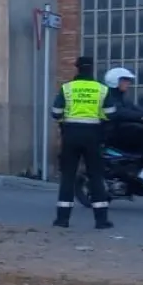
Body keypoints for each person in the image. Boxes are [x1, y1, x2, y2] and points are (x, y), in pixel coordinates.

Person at [50, 55, 112, 229]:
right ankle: (101, 221)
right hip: (93, 136)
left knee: (68, 177)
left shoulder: (67, 88)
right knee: (95, 177)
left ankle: (62, 220)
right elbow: (111, 113)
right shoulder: (101, 89)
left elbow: (56, 112)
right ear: (92, 69)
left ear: (77, 69)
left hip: (70, 135)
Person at [103, 67, 143, 186]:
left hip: (125, 130)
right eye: (125, 80)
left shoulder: (124, 98)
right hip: (114, 132)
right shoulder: (108, 98)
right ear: (115, 81)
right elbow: (120, 113)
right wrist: (142, 119)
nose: (128, 83)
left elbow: (139, 111)